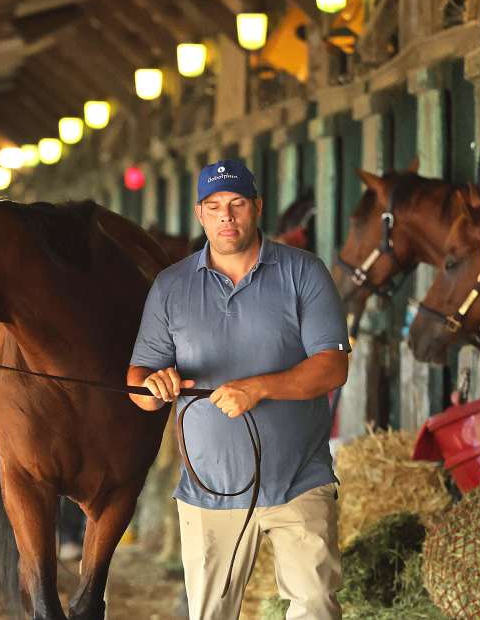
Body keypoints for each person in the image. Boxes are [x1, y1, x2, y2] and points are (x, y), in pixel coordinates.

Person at [126, 159, 350, 620]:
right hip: (210, 491)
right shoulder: (171, 287)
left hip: (299, 481)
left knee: (316, 608)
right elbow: (138, 384)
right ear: (200, 214)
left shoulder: (303, 272)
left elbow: (333, 367)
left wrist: (259, 388)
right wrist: (155, 385)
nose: (226, 216)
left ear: (257, 207)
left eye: (237, 203)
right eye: (214, 206)